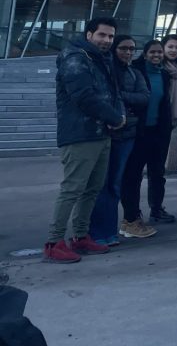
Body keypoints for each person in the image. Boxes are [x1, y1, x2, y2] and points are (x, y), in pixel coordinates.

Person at [44, 16, 125, 263]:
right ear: (89, 34)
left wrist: (115, 115)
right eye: (102, 35)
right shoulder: (75, 57)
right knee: (73, 188)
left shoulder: (100, 59)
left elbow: (111, 93)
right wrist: (115, 117)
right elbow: (83, 96)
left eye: (111, 36)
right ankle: (54, 241)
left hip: (101, 133)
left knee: (92, 189)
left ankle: (80, 236)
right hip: (80, 133)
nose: (107, 40)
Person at [88, 35, 149, 247]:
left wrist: (120, 96)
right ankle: (95, 232)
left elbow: (144, 97)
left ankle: (109, 232)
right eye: (124, 48)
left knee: (114, 184)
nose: (129, 52)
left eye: (132, 49)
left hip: (127, 135)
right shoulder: (105, 70)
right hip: (105, 133)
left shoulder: (135, 72)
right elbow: (100, 97)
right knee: (100, 184)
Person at [120, 39, 173, 236]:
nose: (156, 55)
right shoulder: (134, 71)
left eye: (159, 52)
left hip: (158, 132)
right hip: (137, 132)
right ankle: (132, 216)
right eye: (152, 52)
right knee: (133, 176)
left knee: (157, 173)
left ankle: (156, 209)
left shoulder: (164, 74)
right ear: (145, 54)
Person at [159, 34, 177, 175]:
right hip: (156, 121)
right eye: (170, 46)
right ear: (163, 47)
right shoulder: (158, 67)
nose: (173, 50)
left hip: (172, 121)